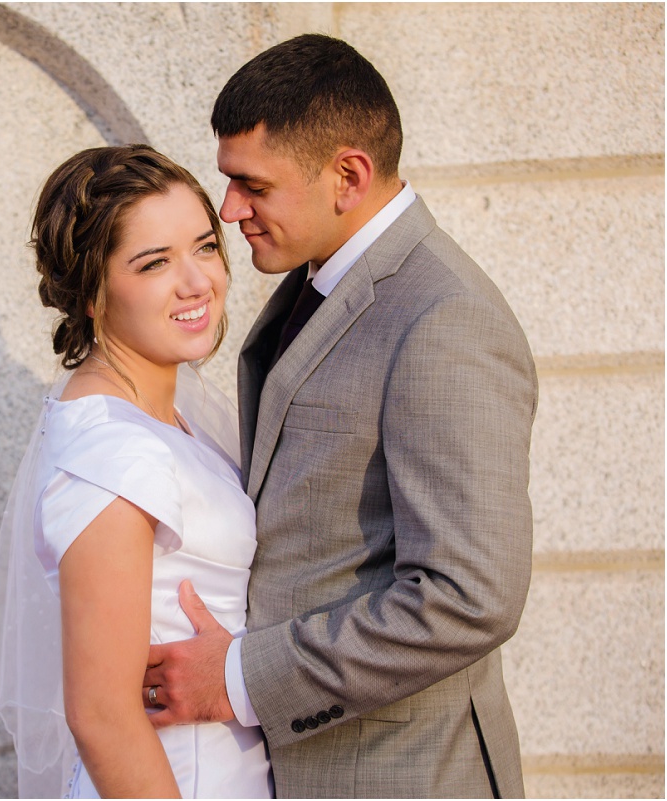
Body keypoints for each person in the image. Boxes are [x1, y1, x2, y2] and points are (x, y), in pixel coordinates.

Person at [142, 34, 538, 798]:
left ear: (348, 175)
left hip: (399, 773)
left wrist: (238, 677)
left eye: (252, 185)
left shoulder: (444, 319)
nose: (230, 210)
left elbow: (469, 596)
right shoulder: (320, 279)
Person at [0, 145, 275, 798]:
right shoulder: (114, 449)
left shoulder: (160, 412)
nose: (196, 283)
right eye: (154, 262)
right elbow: (102, 714)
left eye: (204, 247)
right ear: (93, 293)